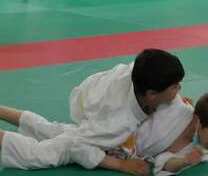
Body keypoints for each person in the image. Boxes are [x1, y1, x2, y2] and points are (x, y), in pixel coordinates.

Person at [0, 49, 184, 174]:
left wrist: (169, 96)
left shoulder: (142, 71)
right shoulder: (117, 123)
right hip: (91, 108)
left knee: (51, 129)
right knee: (43, 153)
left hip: (92, 92)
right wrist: (120, 164)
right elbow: (77, 147)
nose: (179, 89)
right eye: (174, 87)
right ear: (151, 94)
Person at [137, 92, 208, 175]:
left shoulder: (201, 150)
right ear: (199, 120)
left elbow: (163, 162)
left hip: (131, 149)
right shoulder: (175, 106)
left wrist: (184, 161)